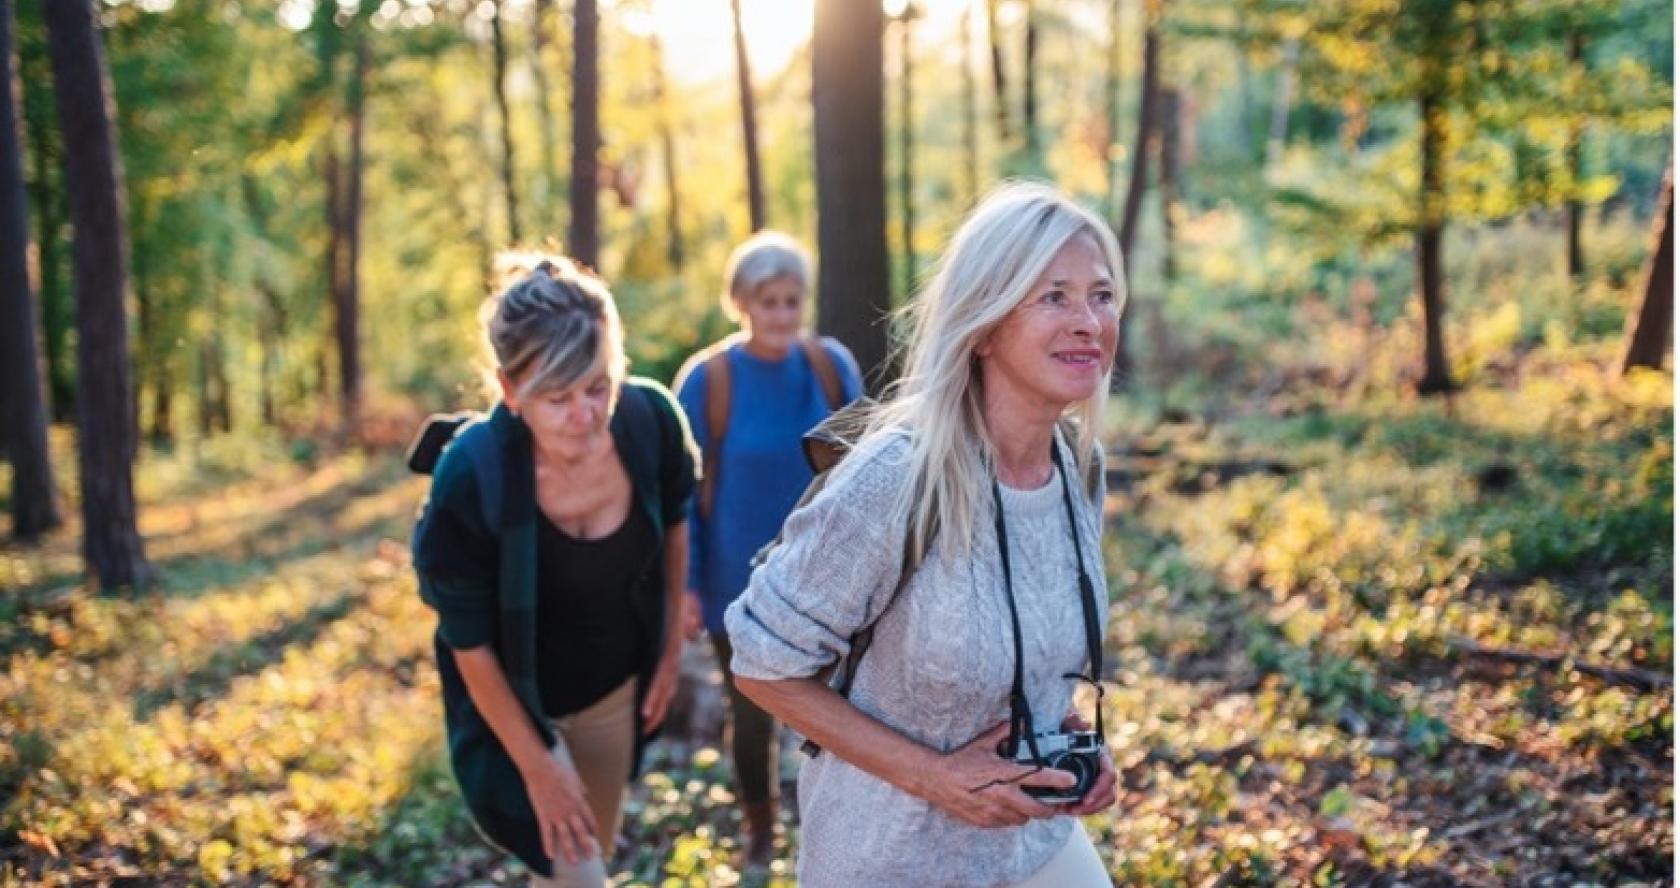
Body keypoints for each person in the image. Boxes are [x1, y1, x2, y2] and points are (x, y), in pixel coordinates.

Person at [722, 183, 1125, 887]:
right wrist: (936, 776)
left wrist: (1072, 743)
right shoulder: (897, 476)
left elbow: (1030, 644)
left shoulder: (1078, 467)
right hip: (891, 859)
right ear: (986, 323)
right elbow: (760, 662)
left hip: (1032, 841)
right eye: (1054, 296)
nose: (1089, 320)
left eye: (1101, 294)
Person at [411, 256, 698, 887]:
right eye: (558, 398)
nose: (586, 414)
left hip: (612, 691)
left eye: (599, 385)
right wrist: (539, 764)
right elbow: (469, 642)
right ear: (511, 394)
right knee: (580, 876)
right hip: (512, 700)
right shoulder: (471, 475)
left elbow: (677, 521)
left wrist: (671, 650)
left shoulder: (651, 421)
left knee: (579, 856)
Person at [673, 230, 863, 865]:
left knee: (838, 714)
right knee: (754, 714)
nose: (782, 314)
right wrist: (688, 585)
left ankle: (834, 834)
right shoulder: (708, 381)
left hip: (827, 574)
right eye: (768, 301)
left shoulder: (830, 367)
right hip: (738, 582)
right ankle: (760, 830)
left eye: (791, 300)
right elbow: (682, 493)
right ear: (743, 303)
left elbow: (868, 470)